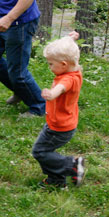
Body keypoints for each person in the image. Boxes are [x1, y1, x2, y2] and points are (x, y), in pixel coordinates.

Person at [33, 31, 86, 189]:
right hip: (62, 123)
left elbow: (61, 88)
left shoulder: (68, 80)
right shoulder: (73, 71)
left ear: (63, 64)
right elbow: (68, 51)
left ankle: (72, 166)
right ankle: (57, 180)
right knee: (45, 150)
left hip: (60, 127)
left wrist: (51, 94)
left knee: (40, 152)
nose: (49, 67)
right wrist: (70, 39)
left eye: (51, 64)